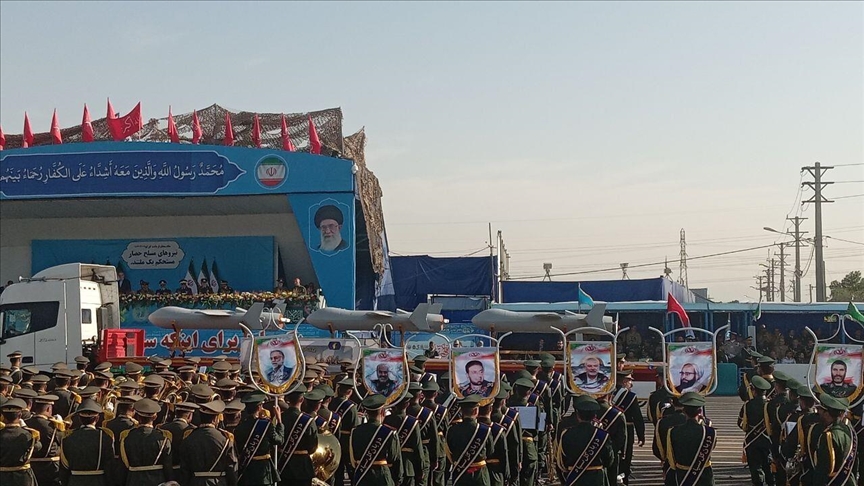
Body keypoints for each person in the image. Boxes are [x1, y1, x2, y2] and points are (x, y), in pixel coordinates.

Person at [178, 400, 239, 486]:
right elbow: (231, 467)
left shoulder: (189, 438)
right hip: (218, 482)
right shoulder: (225, 438)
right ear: (215, 419)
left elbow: (184, 469)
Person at [558, 396, 615, 486]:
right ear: (594, 416)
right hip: (596, 478)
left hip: (575, 478)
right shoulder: (602, 435)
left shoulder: (566, 434)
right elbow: (609, 460)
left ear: (577, 414)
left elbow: (561, 461)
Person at [60, 399, 116, 485]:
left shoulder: (67, 438)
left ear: (80, 419)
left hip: (75, 481)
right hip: (98, 481)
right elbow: (109, 466)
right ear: (97, 418)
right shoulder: (104, 437)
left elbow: (64, 467)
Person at [117, 398, 173, 486]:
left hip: (133, 481)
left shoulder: (126, 438)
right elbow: (168, 467)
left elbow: (123, 467)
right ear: (155, 417)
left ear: (137, 417)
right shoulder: (163, 438)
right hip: (157, 481)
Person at [665, 392, 716, 486]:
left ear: (684, 411)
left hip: (683, 475)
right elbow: (710, 448)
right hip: (704, 475)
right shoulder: (710, 432)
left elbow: (671, 460)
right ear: (700, 411)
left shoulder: (673, 431)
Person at [445, 394, 497, 486]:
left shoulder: (452, 430)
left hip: (460, 473)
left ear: (461, 411)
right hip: (480, 475)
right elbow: (490, 451)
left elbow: (450, 452)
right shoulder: (484, 430)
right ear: (476, 411)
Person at [234, 393, 284, 486]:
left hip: (247, 470)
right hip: (263, 471)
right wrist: (280, 422)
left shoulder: (239, 427)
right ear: (259, 407)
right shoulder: (265, 424)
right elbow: (279, 440)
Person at [813, 395, 858, 485]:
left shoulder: (829, 435)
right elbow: (854, 464)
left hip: (834, 482)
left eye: (821, 410)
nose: (819, 413)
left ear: (827, 413)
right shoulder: (849, 431)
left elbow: (824, 468)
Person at [738, 375, 773, 486]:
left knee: (755, 467)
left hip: (752, 441)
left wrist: (750, 429)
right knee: (768, 466)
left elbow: (740, 423)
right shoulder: (770, 405)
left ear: (753, 390)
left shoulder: (748, 405)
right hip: (768, 441)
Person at [612, 370, 644, 486]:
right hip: (626, 429)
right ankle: (624, 480)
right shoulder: (630, 396)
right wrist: (641, 435)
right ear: (624, 381)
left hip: (609, 428)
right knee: (625, 456)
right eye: (630, 380)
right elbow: (637, 417)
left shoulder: (608, 392)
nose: (631, 383)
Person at [0, 398, 41, 486]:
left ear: (3, 416)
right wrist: (25, 427)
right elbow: (38, 447)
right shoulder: (27, 434)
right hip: (23, 477)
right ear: (20, 416)